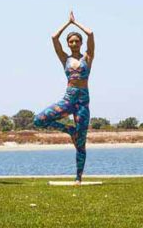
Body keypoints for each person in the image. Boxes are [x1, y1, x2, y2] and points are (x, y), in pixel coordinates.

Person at [34, 11, 95, 182]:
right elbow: (54, 37)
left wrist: (76, 24)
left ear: (81, 43)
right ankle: (69, 130)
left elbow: (90, 34)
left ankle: (78, 177)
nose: (74, 43)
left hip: (82, 102)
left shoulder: (88, 57)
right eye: (71, 41)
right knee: (39, 120)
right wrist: (67, 24)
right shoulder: (65, 59)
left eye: (76, 40)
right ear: (68, 44)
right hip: (68, 100)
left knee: (81, 142)